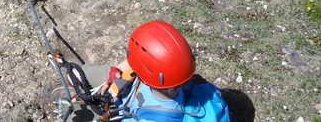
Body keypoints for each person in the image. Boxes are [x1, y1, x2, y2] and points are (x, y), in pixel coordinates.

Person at [51, 21, 230, 122]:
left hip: (129, 110)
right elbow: (139, 60)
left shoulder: (155, 118)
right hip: (131, 91)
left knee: (73, 117)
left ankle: (73, 101)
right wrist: (119, 71)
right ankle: (76, 95)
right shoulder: (175, 73)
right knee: (76, 74)